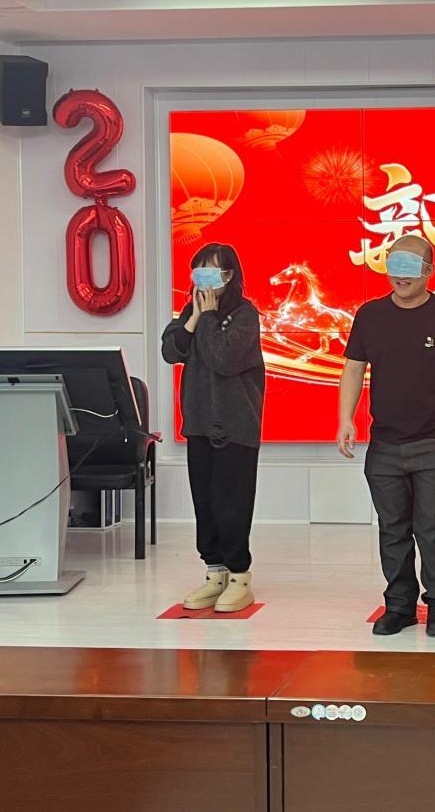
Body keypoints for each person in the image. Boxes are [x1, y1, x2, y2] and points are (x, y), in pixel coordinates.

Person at [337, 235, 435, 638]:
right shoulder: (370, 315)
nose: (401, 276)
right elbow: (353, 368)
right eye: (394, 265)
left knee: (434, 526)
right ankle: (399, 605)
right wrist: (345, 418)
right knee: (392, 527)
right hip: (384, 442)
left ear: (428, 271)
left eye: (410, 266)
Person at [161, 243, 265, 614]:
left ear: (230, 275)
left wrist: (205, 319)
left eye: (213, 271)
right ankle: (214, 572)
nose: (204, 280)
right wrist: (193, 318)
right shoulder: (191, 312)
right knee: (204, 502)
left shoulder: (244, 314)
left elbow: (223, 358)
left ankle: (239, 577)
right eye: (199, 271)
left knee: (230, 502)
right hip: (200, 424)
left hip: (235, 425)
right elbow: (171, 351)